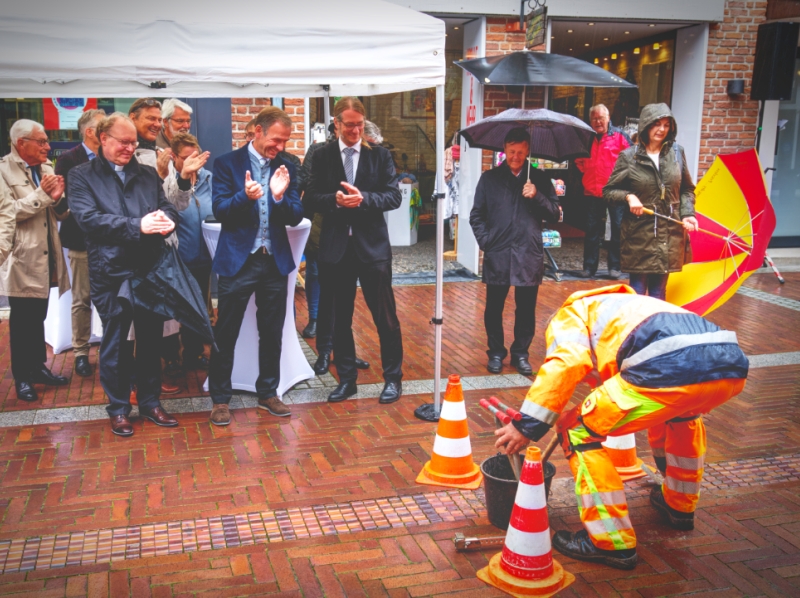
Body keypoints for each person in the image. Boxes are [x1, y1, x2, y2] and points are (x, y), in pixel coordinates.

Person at [494, 284, 749, 570]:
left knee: (575, 429)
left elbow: (566, 363)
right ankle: (679, 505)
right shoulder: (632, 306)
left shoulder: (572, 313)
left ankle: (611, 542)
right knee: (680, 416)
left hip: (664, 367)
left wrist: (526, 426)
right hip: (730, 365)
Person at [69, 112, 180, 437]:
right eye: (123, 141)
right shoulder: (81, 176)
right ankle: (118, 409)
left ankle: (150, 402)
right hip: (111, 272)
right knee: (115, 344)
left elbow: (167, 205)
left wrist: (167, 218)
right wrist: (138, 226)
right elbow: (88, 219)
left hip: (150, 270)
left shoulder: (146, 174)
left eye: (134, 142)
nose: (130, 148)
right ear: (103, 139)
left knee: (149, 342)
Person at [208, 106, 303, 425]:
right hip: (238, 261)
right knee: (226, 331)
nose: (280, 147)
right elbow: (220, 210)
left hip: (273, 262)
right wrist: (245, 197)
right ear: (258, 131)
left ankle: (268, 392)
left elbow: (295, 213)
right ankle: (220, 399)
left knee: (272, 331)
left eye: (285, 141)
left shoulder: (287, 165)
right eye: (276, 139)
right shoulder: (226, 164)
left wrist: (278, 198)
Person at [306, 97, 403, 404]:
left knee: (385, 317)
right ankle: (347, 379)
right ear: (336, 124)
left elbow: (392, 197)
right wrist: (334, 199)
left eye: (359, 124)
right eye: (349, 125)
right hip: (336, 249)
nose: (355, 130)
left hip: (372, 248)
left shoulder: (380, 156)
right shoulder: (322, 156)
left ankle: (393, 379)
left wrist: (364, 199)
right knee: (338, 318)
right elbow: (309, 197)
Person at [469, 127, 561, 376]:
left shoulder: (539, 179)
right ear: (504, 150)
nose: (516, 157)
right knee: (494, 306)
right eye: (511, 152)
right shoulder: (490, 179)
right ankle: (496, 352)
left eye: (521, 152)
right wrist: (486, 241)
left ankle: (521, 353)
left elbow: (554, 213)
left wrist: (537, 196)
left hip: (527, 252)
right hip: (498, 251)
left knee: (526, 307)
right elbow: (476, 215)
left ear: (528, 150)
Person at [0, 119, 70, 403]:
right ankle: (22, 377)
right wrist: (43, 195)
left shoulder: (47, 169)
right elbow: (10, 212)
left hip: (48, 254)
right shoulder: (3, 171)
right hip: (23, 258)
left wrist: (58, 199)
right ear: (21, 144)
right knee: (22, 321)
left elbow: (61, 213)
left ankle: (37, 367)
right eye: (41, 142)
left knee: (39, 316)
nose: (47, 147)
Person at [603, 103, 698, 300]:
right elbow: (609, 191)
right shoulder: (629, 157)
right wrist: (629, 197)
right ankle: (637, 330)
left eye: (666, 125)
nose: (661, 129)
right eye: (657, 124)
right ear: (646, 125)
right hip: (639, 236)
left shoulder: (677, 154)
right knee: (637, 294)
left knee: (658, 294)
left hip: (669, 233)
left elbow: (687, 189)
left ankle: (655, 330)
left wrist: (688, 214)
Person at [298, 121, 369, 375]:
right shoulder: (319, 153)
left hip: (355, 238)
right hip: (324, 230)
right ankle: (324, 351)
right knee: (328, 297)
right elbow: (307, 190)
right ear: (335, 129)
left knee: (345, 302)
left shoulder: (365, 154)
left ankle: (344, 352)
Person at [54, 108, 106, 378]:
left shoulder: (111, 155)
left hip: (111, 240)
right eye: (102, 126)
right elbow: (64, 200)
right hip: (81, 240)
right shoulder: (68, 159)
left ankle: (111, 348)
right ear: (90, 132)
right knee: (82, 299)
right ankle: (81, 352)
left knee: (112, 297)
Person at [165, 133, 213, 370]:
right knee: (174, 311)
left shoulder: (209, 179)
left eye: (196, 156)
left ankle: (193, 353)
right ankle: (172, 357)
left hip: (204, 259)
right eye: (186, 158)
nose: (193, 162)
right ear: (173, 157)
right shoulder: (167, 182)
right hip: (176, 258)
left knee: (198, 308)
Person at [574, 104, 631, 279]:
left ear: (608, 118)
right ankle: (589, 268)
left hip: (615, 191)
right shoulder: (586, 138)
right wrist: (589, 173)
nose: (598, 121)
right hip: (592, 191)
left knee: (617, 229)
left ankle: (615, 267)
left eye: (601, 118)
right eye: (594, 119)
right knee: (591, 230)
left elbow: (632, 160)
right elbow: (578, 159)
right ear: (590, 121)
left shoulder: (621, 137)